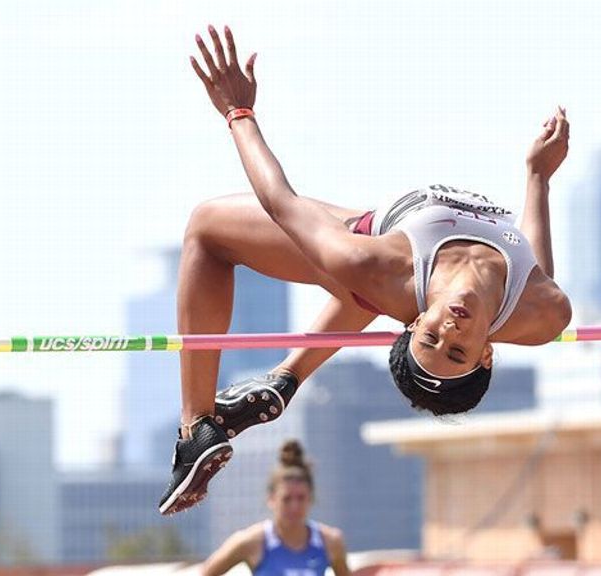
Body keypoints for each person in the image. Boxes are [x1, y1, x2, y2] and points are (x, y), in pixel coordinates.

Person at [159, 25, 572, 515]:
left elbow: (281, 204)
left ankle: (195, 426)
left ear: (415, 325)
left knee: (207, 228)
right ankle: (287, 378)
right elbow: (537, 274)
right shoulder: (543, 316)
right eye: (457, 348)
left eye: (432, 340)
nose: (449, 328)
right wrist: (537, 178)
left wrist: (238, 111)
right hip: (385, 275)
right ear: (486, 354)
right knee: (367, 286)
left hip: (364, 235)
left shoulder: (372, 264)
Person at [200, 440, 350, 576]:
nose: (294, 506)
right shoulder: (250, 541)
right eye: (286, 499)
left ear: (310, 498)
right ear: (271, 499)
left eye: (301, 498)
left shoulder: (330, 541)